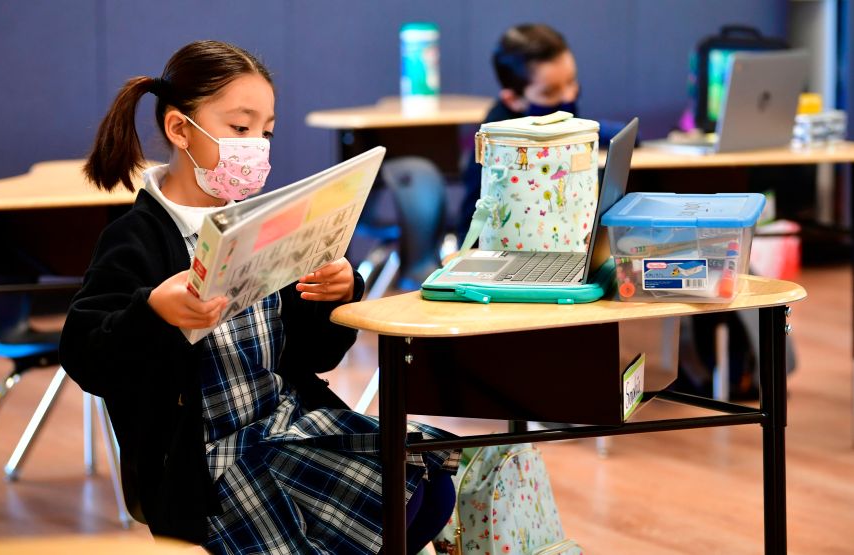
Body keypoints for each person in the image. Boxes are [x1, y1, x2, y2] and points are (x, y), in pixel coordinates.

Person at [60, 40, 457, 555]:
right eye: (240, 129)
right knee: (400, 499)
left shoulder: (265, 220)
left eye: (266, 131)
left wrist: (332, 293)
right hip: (211, 463)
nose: (257, 145)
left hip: (285, 423)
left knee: (430, 481)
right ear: (180, 129)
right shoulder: (136, 238)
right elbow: (85, 354)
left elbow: (316, 356)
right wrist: (154, 313)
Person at [457, 23, 627, 244]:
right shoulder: (499, 140)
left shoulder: (550, 116)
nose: (569, 96)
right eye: (550, 92)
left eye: (571, 81)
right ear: (513, 100)